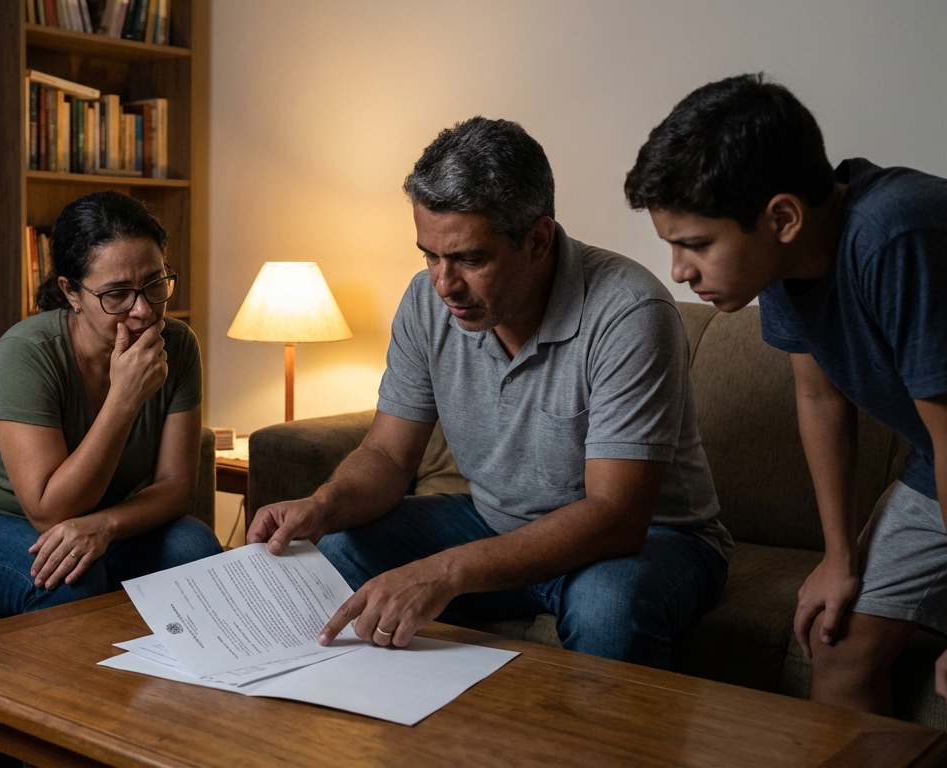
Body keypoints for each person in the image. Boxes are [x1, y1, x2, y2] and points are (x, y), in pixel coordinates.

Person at [247, 117, 732, 669]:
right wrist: (321, 505)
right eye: (430, 254)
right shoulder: (427, 302)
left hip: (651, 540)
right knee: (337, 550)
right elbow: (386, 454)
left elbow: (614, 515)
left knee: (606, 605)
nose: (444, 284)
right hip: (493, 521)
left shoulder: (628, 313)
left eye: (470, 260)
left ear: (538, 239)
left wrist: (448, 571)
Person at [625, 73, 947, 716]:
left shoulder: (896, 236)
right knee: (835, 644)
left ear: (781, 216)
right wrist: (839, 558)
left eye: (695, 244)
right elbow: (821, 399)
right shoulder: (780, 261)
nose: (679, 271)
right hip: (944, 459)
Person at [0, 191, 222, 616]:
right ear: (72, 292)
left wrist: (104, 526)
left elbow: (175, 487)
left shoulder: (178, 345)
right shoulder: (26, 352)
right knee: (70, 583)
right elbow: (50, 512)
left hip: (95, 518)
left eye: (155, 284)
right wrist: (123, 399)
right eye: (116, 293)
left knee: (196, 549)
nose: (143, 310)